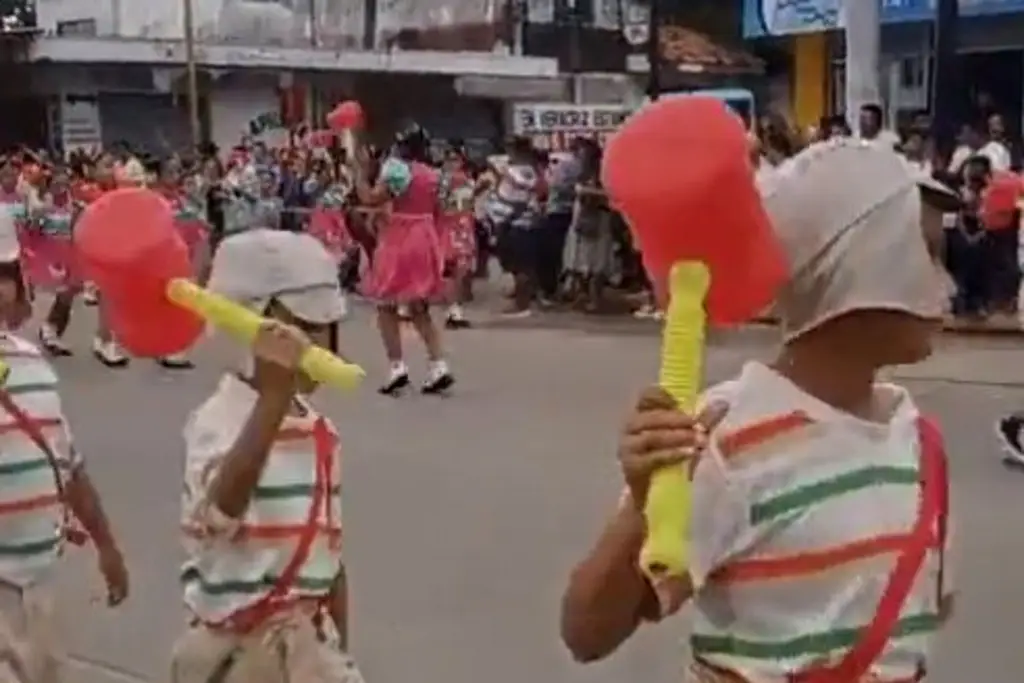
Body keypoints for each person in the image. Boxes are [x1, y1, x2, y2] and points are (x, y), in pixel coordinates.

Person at [561, 139, 953, 682]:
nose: (947, 286)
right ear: (854, 262)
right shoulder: (723, 434)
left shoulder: (918, 440)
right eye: (928, 255)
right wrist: (644, 508)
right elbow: (587, 633)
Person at [172, 229, 362, 683]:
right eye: (306, 329)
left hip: (311, 649)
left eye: (327, 329)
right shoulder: (219, 420)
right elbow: (218, 514)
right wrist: (272, 403)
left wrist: (338, 649)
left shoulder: (320, 431)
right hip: (239, 652)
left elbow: (328, 558)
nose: (323, 346)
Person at [0, 212, 129, 682]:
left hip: (41, 588)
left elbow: (66, 463)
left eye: (2, 276)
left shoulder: (32, 362)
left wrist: (107, 546)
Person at [355, 124, 454, 395]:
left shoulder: (398, 169)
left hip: (400, 236)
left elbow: (371, 198)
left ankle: (396, 366)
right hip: (426, 234)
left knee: (386, 303)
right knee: (419, 307)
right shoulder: (435, 175)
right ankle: (438, 364)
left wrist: (362, 173)